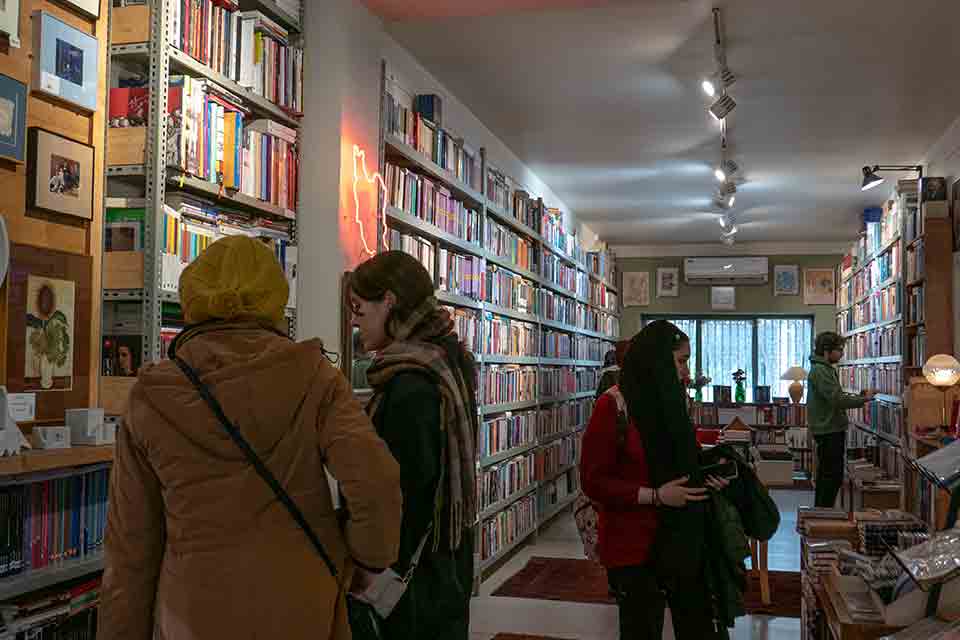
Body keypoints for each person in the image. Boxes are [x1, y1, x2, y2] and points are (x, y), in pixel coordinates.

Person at [99, 236, 403, 640]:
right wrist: (367, 553)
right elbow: (375, 481)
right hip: (301, 602)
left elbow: (131, 549)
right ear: (274, 297)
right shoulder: (314, 376)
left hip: (196, 610)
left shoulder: (152, 397)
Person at [349, 251, 477, 640]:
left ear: (389, 302)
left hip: (417, 577)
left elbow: (408, 489)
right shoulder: (445, 361)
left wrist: (374, 566)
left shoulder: (411, 384)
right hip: (448, 558)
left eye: (359, 308)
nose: (354, 320)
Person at [581, 320, 728, 640]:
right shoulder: (613, 405)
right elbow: (593, 482)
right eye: (681, 361)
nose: (687, 372)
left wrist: (706, 476)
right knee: (641, 628)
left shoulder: (674, 402)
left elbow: (682, 460)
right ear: (657, 360)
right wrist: (656, 496)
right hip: (633, 546)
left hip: (679, 539)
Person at [808, 331, 875, 508]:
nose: (842, 353)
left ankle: (821, 513)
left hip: (829, 427)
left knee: (828, 475)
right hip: (829, 429)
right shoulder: (821, 371)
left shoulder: (823, 369)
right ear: (827, 350)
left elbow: (835, 396)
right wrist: (864, 399)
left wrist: (858, 397)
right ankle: (823, 514)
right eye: (839, 349)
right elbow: (837, 400)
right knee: (832, 476)